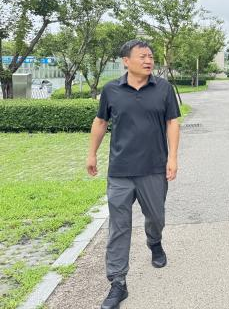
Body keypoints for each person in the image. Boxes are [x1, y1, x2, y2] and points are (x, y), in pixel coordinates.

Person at [87, 39, 180, 309]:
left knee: (156, 217)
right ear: (126, 61)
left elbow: (172, 122)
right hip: (120, 171)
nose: (148, 60)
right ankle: (118, 282)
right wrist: (91, 154)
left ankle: (154, 241)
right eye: (142, 56)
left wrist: (173, 157)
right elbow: (101, 121)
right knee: (119, 226)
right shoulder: (111, 90)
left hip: (153, 168)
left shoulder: (163, 88)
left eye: (150, 56)